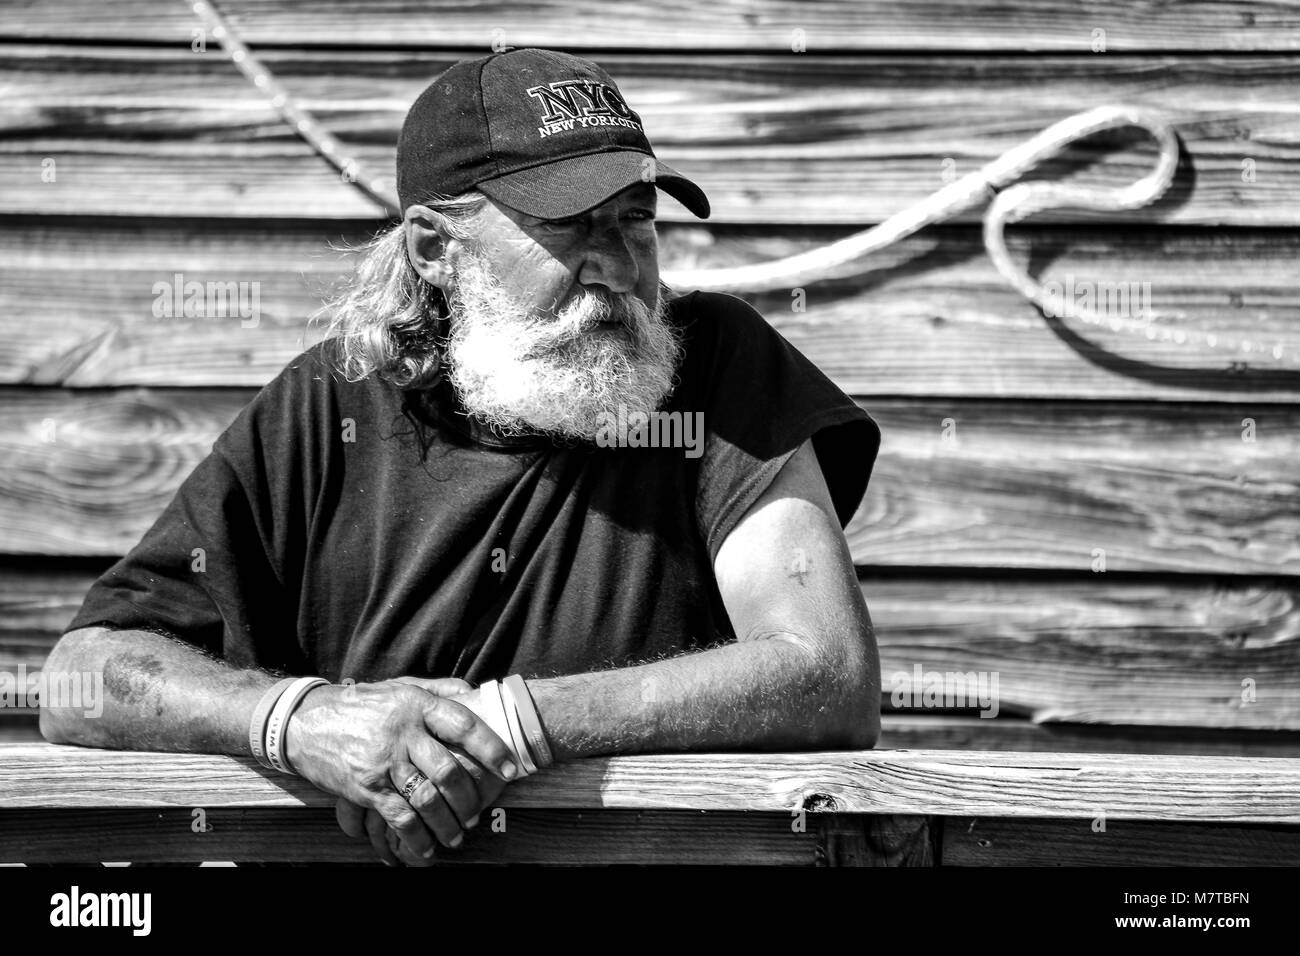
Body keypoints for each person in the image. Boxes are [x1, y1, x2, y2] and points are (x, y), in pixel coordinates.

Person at [40, 48, 883, 866]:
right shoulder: (328, 406)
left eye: (636, 220)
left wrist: (510, 727)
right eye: (572, 226)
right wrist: (300, 722)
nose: (622, 270)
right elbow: (81, 678)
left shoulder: (720, 365)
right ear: (435, 249)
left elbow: (827, 674)